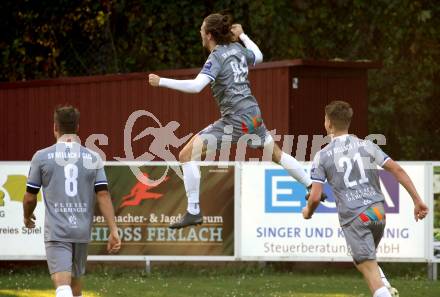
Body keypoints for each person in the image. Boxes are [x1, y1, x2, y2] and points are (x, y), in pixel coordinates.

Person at [148, 13, 322, 229]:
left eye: (202, 29)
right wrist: (244, 36)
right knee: (277, 155)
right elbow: (258, 56)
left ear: (209, 35)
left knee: (185, 155)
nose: (200, 33)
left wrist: (161, 81)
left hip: (235, 119)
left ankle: (193, 211)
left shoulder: (217, 57)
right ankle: (310, 186)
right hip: (252, 114)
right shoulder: (237, 49)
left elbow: (195, 87)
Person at [302, 100, 429, 297]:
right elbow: (397, 169)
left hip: (355, 218)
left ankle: (385, 291)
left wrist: (307, 212)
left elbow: (316, 196)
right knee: (364, 262)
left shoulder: (322, 156)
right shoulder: (368, 146)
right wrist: (417, 200)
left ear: (328, 123)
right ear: (348, 121)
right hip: (377, 213)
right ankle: (386, 286)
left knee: (369, 272)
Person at [23, 106, 121, 297]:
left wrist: (27, 216)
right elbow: (103, 195)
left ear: (55, 127)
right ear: (77, 127)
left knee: (62, 286)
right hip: (81, 231)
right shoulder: (92, 157)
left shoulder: (41, 157)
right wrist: (114, 229)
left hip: (58, 231)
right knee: (75, 288)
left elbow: (29, 197)